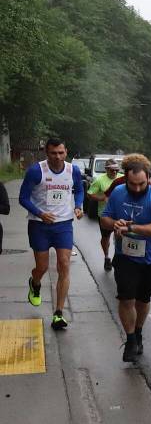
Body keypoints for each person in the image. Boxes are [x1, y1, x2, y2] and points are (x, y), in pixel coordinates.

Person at [100, 156, 151, 361]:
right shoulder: (118, 193)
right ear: (125, 179)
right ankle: (130, 339)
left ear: (148, 177)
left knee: (142, 300)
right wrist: (114, 223)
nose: (137, 189)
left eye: (142, 184)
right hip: (126, 256)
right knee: (126, 298)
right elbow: (104, 219)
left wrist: (129, 227)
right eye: (132, 184)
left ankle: (138, 330)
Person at [20, 138, 85, 330]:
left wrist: (79, 206)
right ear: (46, 153)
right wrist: (40, 213)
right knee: (42, 267)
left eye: (61, 153)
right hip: (39, 225)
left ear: (66, 152)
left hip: (64, 225)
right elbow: (23, 198)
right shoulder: (35, 171)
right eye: (53, 153)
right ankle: (35, 282)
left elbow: (79, 190)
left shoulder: (72, 170)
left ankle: (58, 313)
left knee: (64, 265)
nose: (57, 157)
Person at [86, 158, 121, 271]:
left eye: (116, 170)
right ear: (106, 169)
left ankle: (118, 257)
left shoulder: (122, 178)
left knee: (119, 236)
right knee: (105, 238)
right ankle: (106, 257)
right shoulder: (99, 180)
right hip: (105, 214)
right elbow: (90, 194)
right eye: (112, 170)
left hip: (120, 214)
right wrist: (102, 198)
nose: (114, 172)